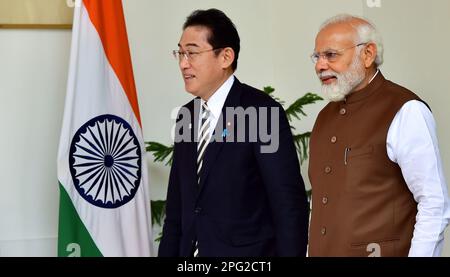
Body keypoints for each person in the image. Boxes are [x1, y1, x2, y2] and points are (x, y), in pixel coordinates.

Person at [158, 9, 309, 257]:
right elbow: (176, 212)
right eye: (180, 53)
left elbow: (288, 206)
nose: (184, 63)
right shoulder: (186, 116)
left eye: (192, 53)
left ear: (226, 57)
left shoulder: (262, 112)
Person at [308, 14, 450, 257]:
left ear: (367, 54)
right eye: (317, 56)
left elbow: (433, 205)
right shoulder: (323, 118)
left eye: (331, 55)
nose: (320, 66)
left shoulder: (406, 109)